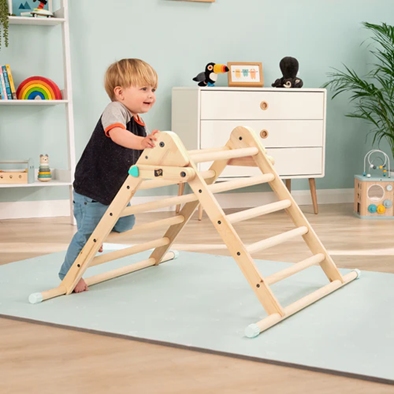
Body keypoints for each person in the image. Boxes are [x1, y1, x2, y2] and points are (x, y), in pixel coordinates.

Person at [59, 58, 159, 293]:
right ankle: (68, 274)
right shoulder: (116, 110)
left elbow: (134, 153)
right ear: (120, 92)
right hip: (93, 189)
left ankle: (100, 235)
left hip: (114, 189)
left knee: (126, 222)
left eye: (153, 89)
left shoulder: (137, 120)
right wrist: (142, 141)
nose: (151, 95)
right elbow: (117, 136)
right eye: (144, 88)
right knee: (87, 234)